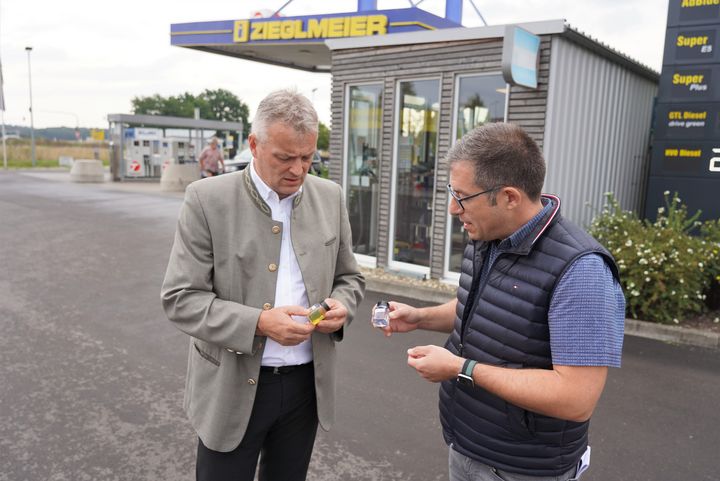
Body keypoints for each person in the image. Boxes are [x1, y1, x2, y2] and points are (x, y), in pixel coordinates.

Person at [380, 122, 625, 481]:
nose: (452, 208)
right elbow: (484, 308)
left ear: (509, 197)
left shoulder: (582, 271)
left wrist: (460, 369)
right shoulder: (488, 234)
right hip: (467, 443)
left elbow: (576, 398)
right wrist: (418, 317)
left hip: (523, 468)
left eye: (462, 196)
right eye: (452, 191)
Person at [161, 89, 365, 481]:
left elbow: (350, 277)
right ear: (254, 145)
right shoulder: (207, 199)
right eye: (285, 157)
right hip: (231, 386)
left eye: (308, 157)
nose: (298, 169)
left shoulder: (330, 196)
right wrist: (260, 322)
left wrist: (343, 305)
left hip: (306, 386)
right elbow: (180, 298)